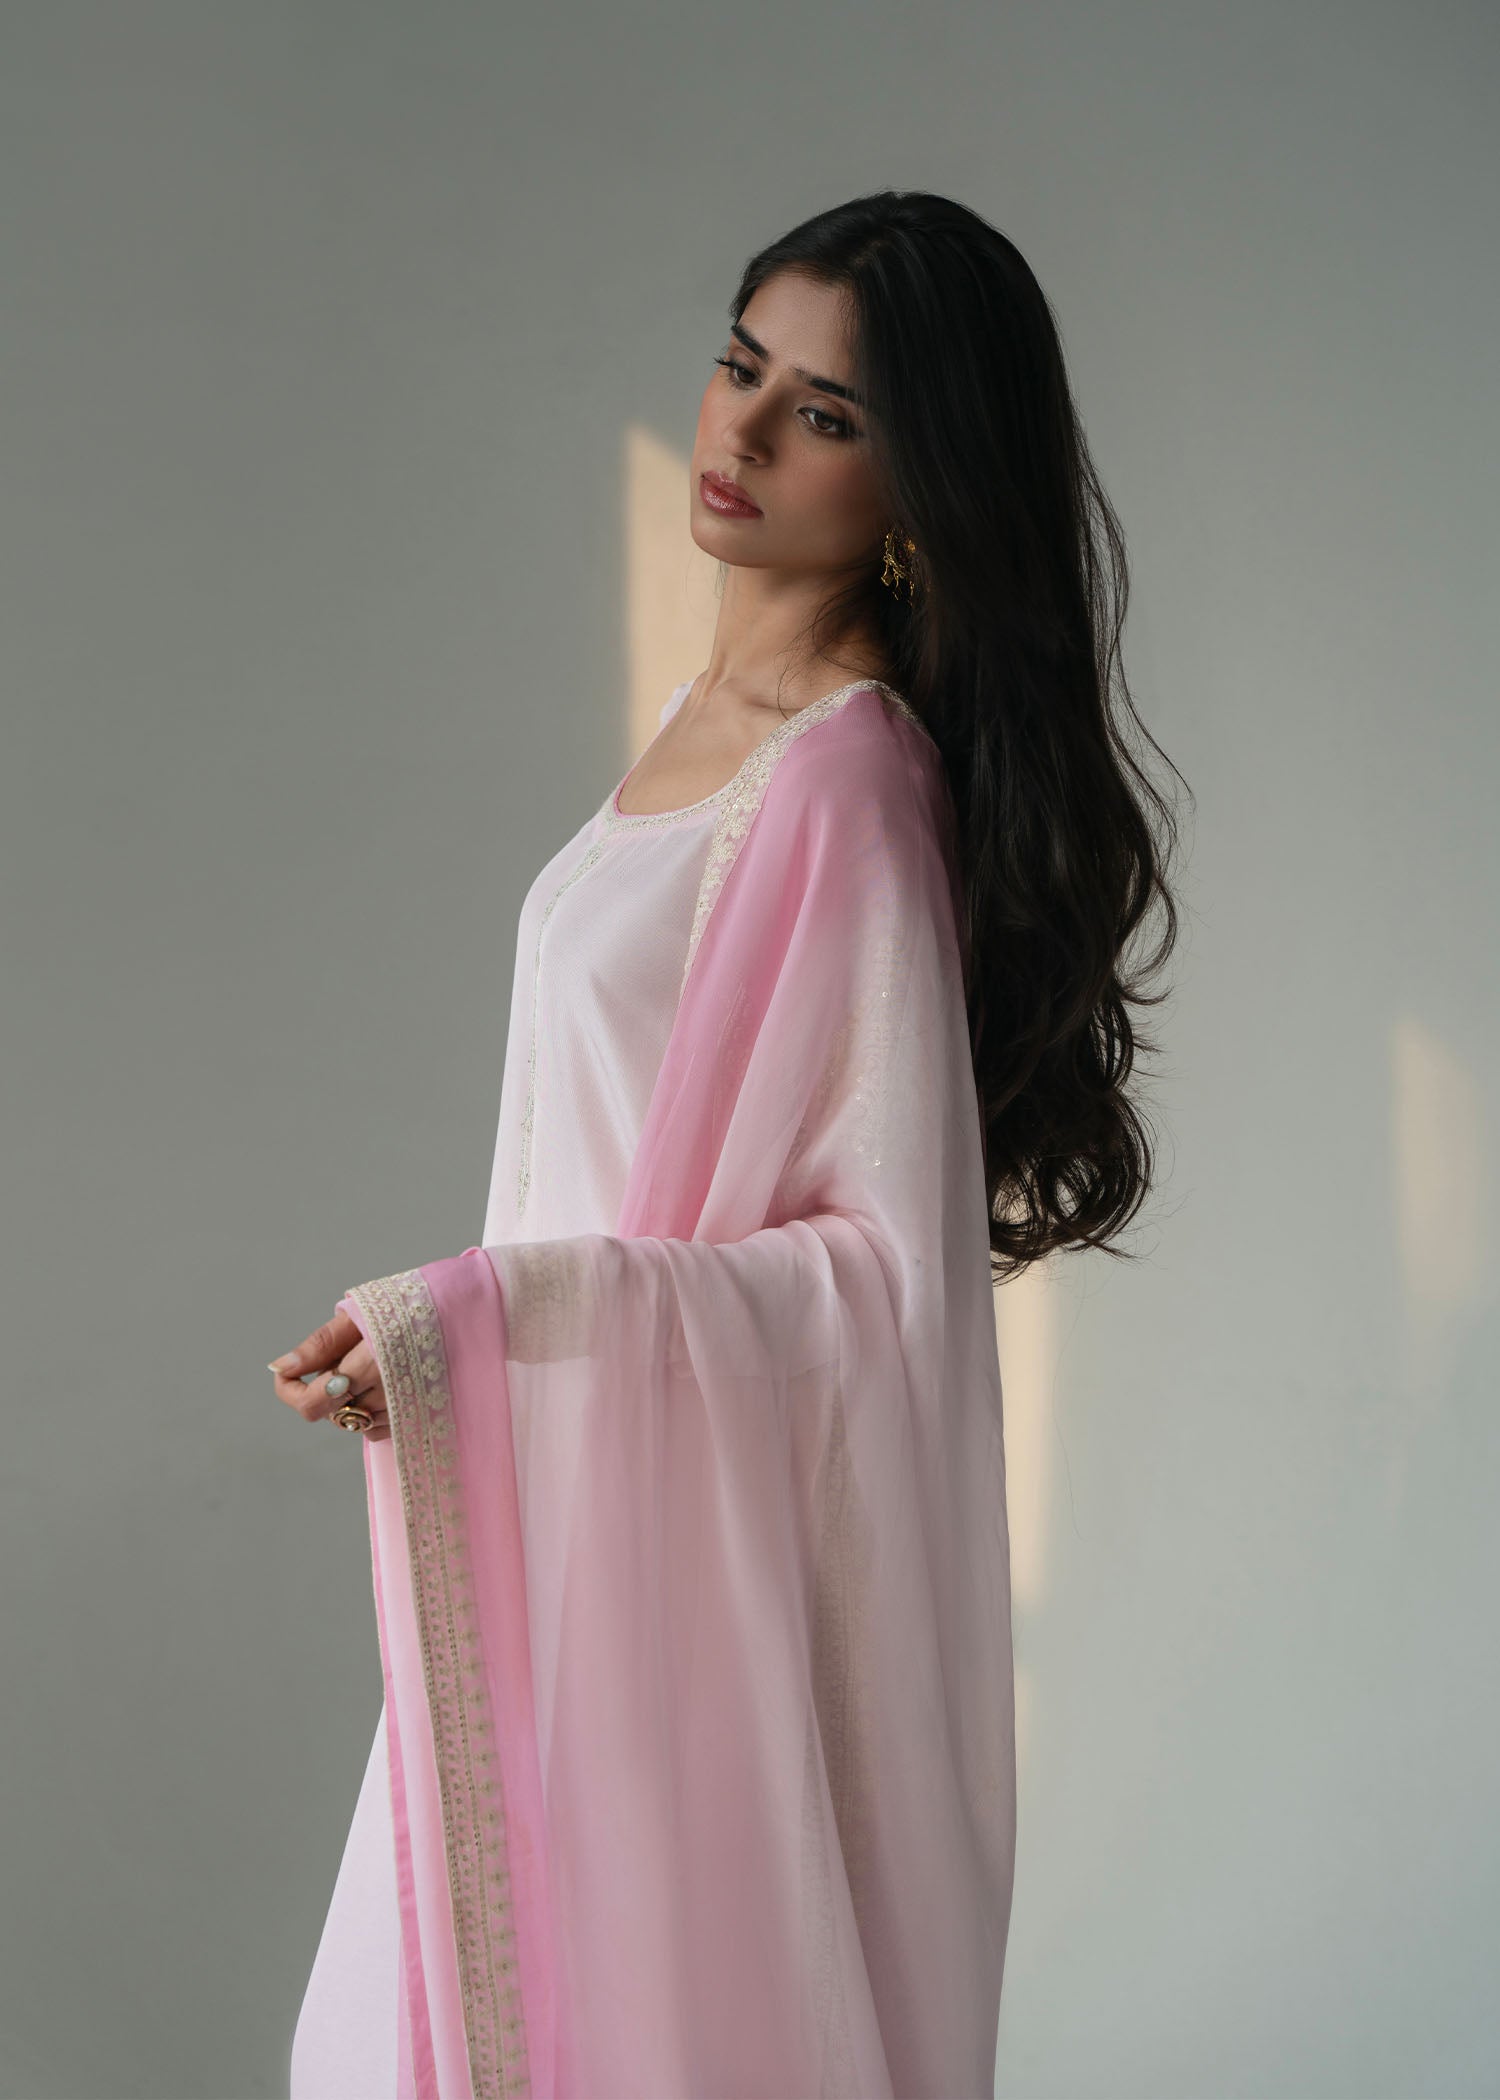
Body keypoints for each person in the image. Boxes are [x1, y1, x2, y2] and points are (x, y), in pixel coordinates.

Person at [274, 189, 1185, 2100]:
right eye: (738, 365)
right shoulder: (708, 722)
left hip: (665, 1575)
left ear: (922, 487)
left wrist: (491, 1315)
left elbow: (872, 1278)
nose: (745, 431)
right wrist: (464, 1348)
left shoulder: (844, 782)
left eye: (826, 414)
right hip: (561, 1508)